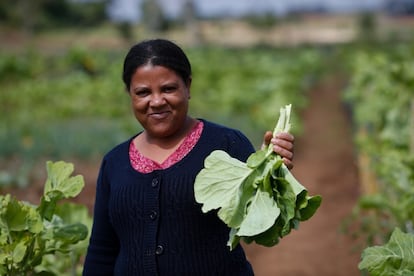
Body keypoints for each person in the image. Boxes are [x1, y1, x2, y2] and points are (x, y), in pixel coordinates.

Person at [83, 38, 295, 276]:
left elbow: (263, 217)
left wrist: (271, 168)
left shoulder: (226, 144)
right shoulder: (115, 162)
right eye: (143, 92)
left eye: (168, 89)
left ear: (188, 86)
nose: (156, 101)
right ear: (130, 95)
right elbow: (102, 250)